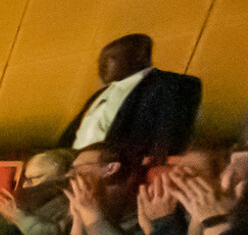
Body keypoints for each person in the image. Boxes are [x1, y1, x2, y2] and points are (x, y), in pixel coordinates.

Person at [58, 33, 203, 158]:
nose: (101, 66)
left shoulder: (171, 85)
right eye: (100, 61)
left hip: (117, 166)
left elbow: (167, 138)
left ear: (138, 57)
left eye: (111, 58)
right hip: (73, 163)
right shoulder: (98, 95)